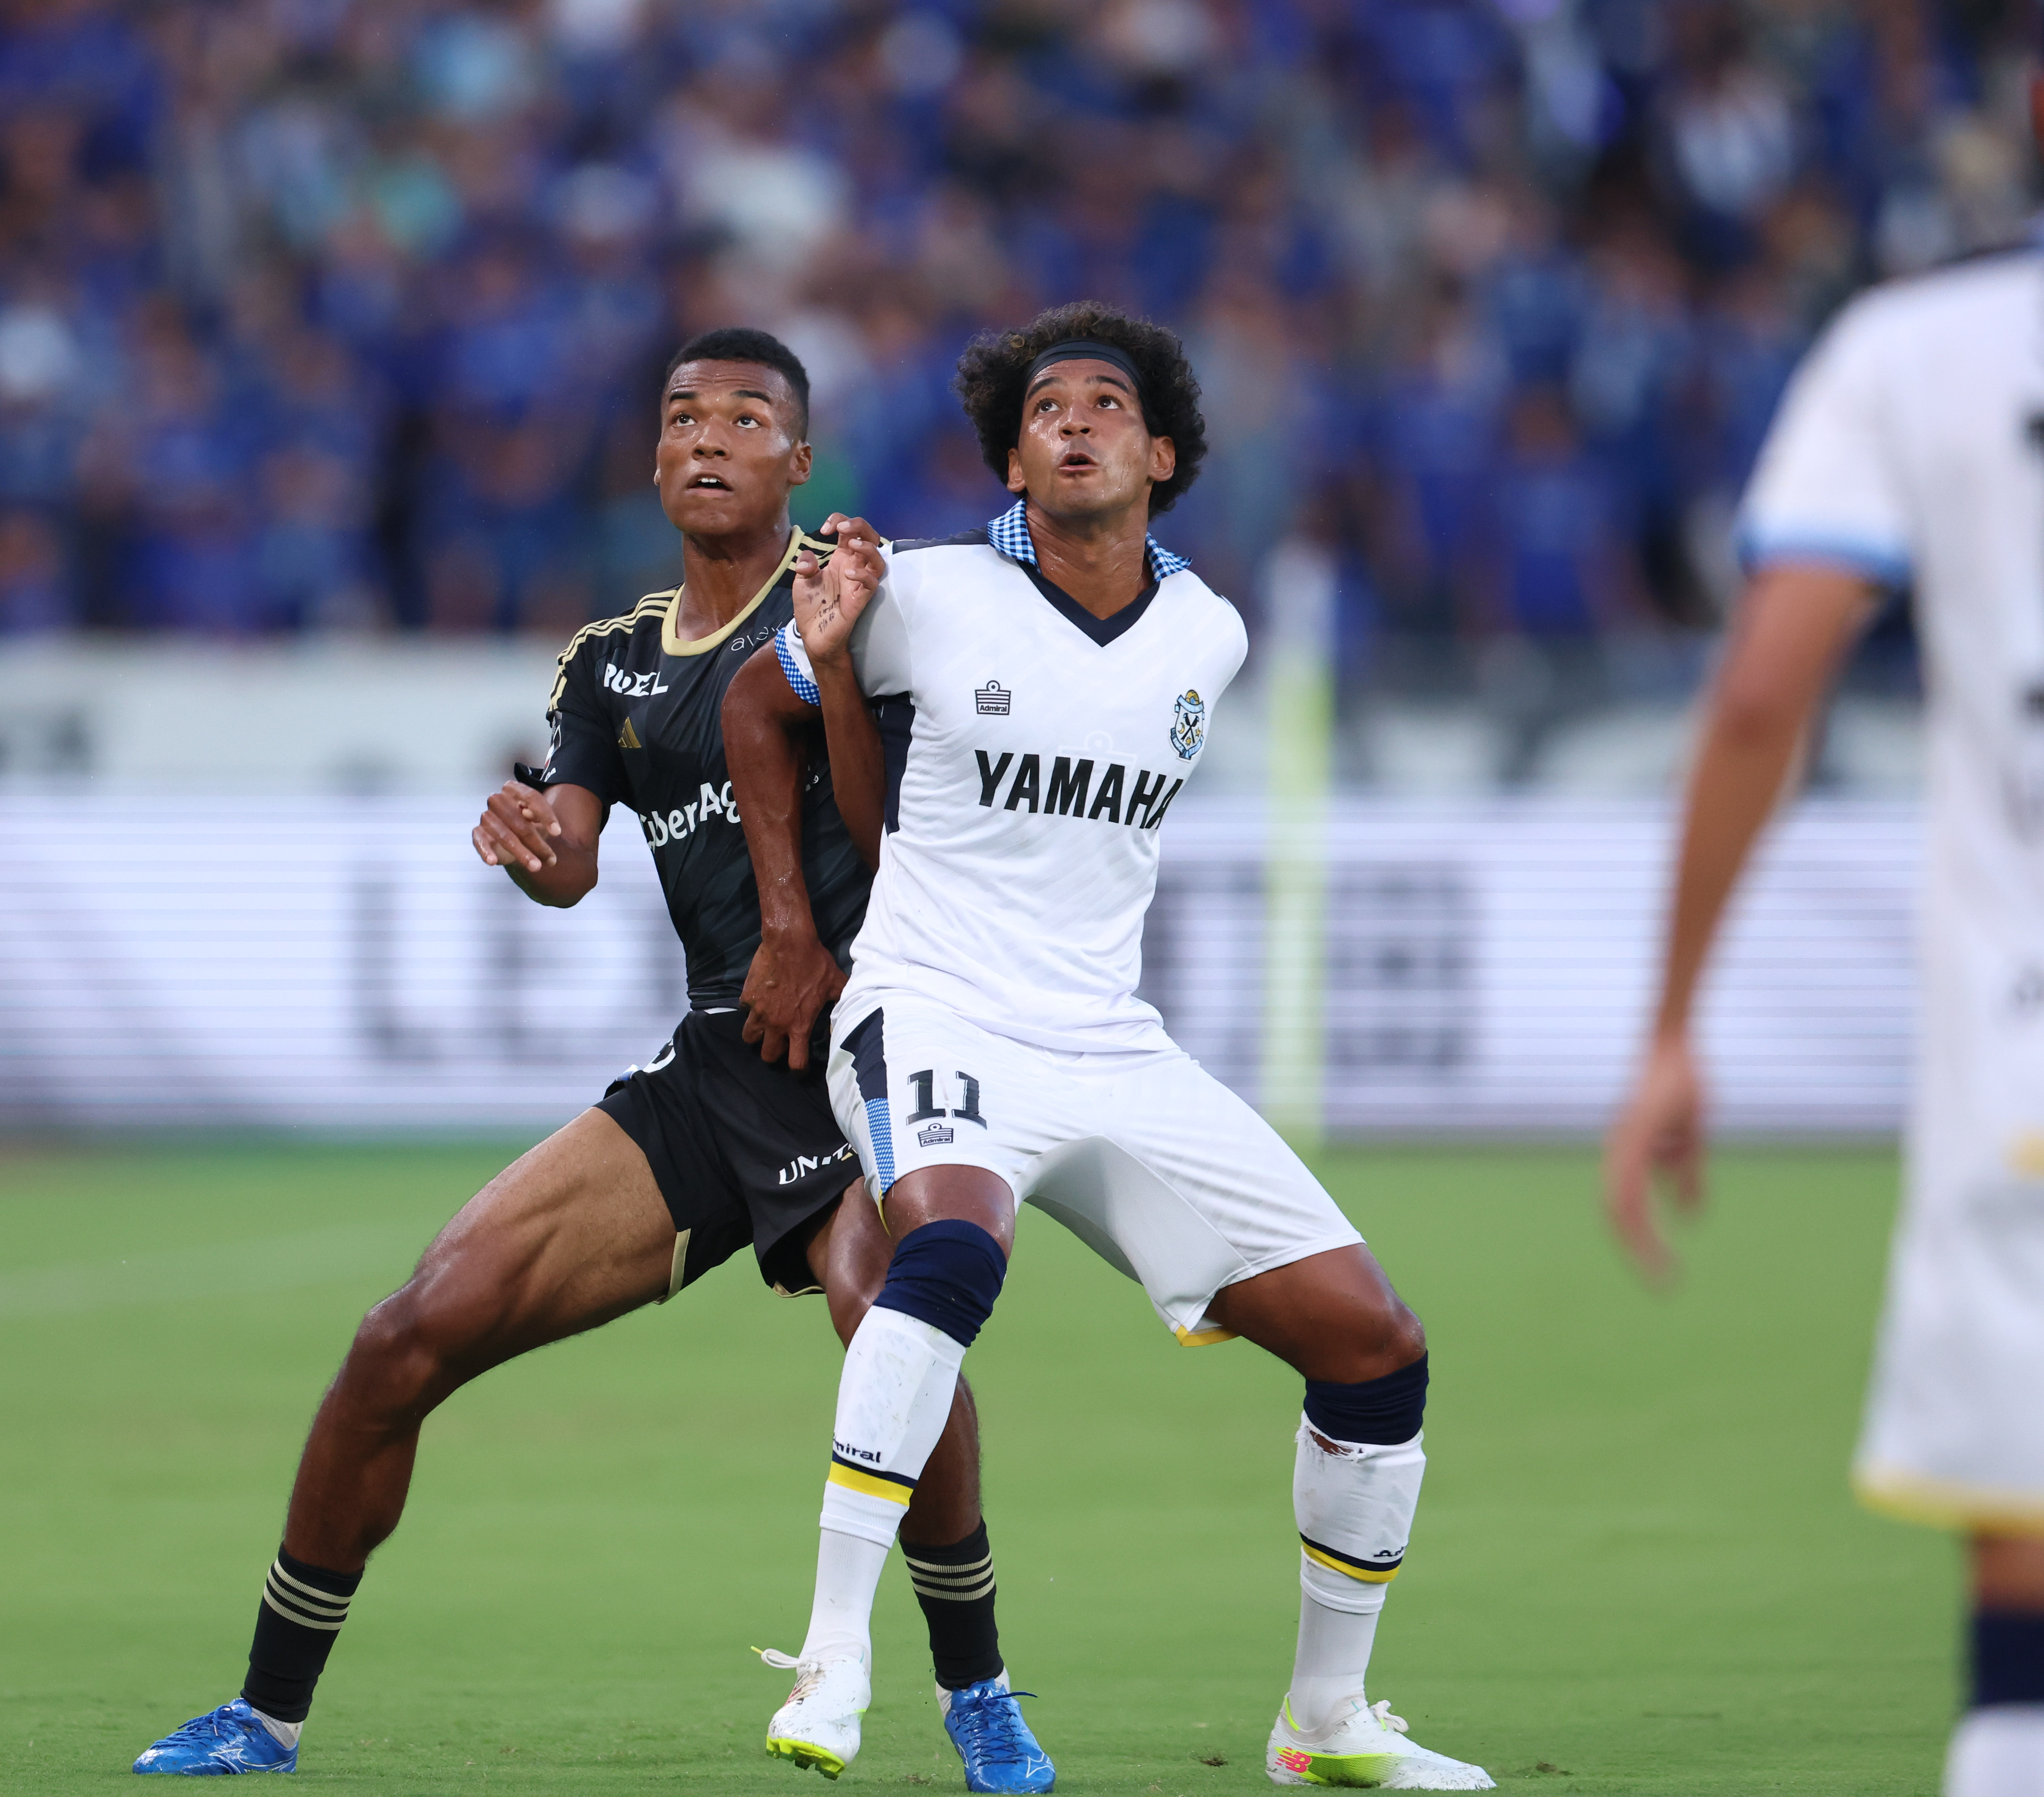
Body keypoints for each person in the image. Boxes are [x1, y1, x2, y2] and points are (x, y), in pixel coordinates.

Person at [133, 329, 1055, 1792]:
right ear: (653, 455)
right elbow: (571, 859)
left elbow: (908, 813)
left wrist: (818, 928)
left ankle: (978, 1692)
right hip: (722, 1069)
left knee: (890, 1318)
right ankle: (264, 1713)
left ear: (799, 462)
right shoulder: (610, 662)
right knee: (403, 1337)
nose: (708, 439)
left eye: (745, 419)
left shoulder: (858, 603)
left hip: (874, 1044)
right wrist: (530, 843)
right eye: (684, 417)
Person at [722, 301, 1494, 1790]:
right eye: (1044, 409)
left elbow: (942, 808)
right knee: (953, 1257)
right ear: (1013, 461)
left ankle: (1325, 1719)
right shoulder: (919, 588)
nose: (1073, 419)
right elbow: (770, 711)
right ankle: (834, 1656)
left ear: (1163, 454)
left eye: (1104, 403)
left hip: (1109, 1042)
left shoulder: (1214, 635)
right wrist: (794, 922)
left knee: (1374, 1346)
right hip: (933, 1005)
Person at [1603, 216, 2044, 1795]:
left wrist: (1671, 1030)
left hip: (2025, 1035)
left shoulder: (1917, 346)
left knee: (2025, 1599)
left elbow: (1761, 695)